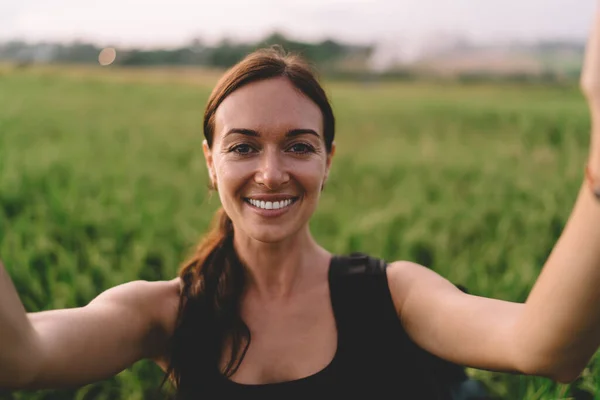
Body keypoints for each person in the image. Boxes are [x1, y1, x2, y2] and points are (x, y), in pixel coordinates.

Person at [3, 6, 600, 400]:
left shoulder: (390, 295)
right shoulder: (166, 314)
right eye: (242, 147)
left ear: (326, 162)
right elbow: (20, 358)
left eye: (298, 146)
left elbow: (546, 347)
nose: (271, 173)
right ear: (210, 163)